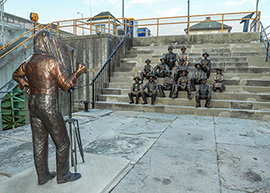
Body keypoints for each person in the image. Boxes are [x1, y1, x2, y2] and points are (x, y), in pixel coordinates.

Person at [12, 31, 86, 185]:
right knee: (63, 142)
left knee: (39, 141)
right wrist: (78, 72)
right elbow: (66, 85)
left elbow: (16, 75)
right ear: (47, 43)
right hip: (48, 103)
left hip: (33, 103)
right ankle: (63, 175)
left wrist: (26, 86)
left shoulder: (29, 61)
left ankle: (43, 175)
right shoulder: (52, 61)